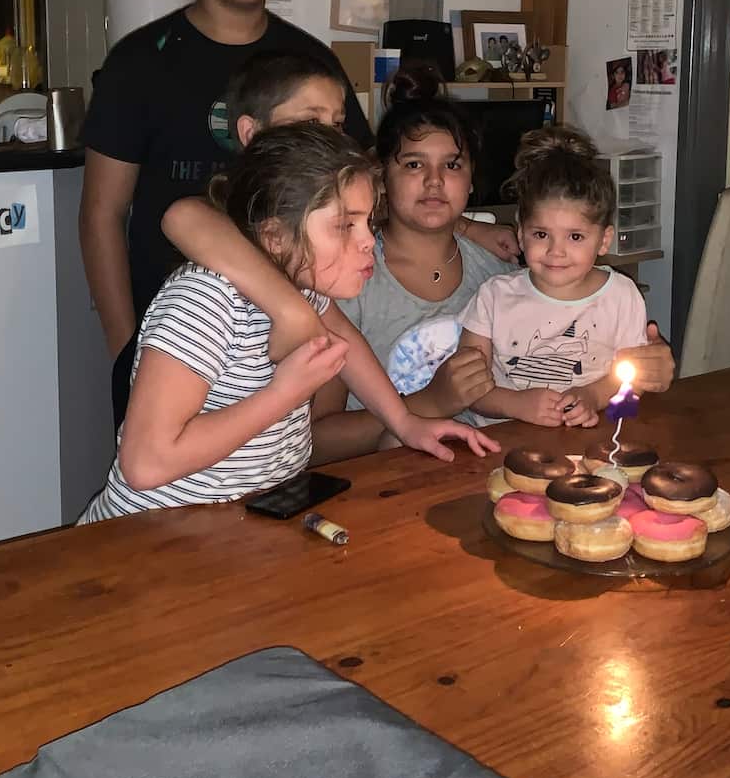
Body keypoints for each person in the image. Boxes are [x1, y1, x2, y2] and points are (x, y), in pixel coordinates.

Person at [79, 0, 371, 429]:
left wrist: (468, 228)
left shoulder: (312, 66)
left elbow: (361, 187)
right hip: (178, 341)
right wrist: (123, 344)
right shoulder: (140, 63)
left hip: (287, 339)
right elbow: (101, 213)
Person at [79, 125, 496, 522]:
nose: (369, 239)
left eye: (367, 221)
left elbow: (346, 342)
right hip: (147, 538)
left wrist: (405, 423)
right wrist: (284, 393)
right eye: (344, 225)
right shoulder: (206, 301)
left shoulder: (302, 285)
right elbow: (145, 464)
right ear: (276, 237)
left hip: (240, 532)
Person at [161, 66, 522, 461]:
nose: (328, 137)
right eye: (311, 121)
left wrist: (404, 421)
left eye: (337, 123)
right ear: (252, 134)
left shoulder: (318, 282)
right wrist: (292, 317)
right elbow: (182, 216)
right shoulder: (222, 292)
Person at [458, 125, 662, 428]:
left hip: (589, 443)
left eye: (575, 237)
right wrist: (515, 404)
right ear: (521, 234)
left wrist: (592, 396)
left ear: (604, 240)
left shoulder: (621, 295)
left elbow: (633, 377)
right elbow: (466, 388)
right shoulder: (493, 296)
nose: (556, 251)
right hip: (501, 444)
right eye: (541, 234)